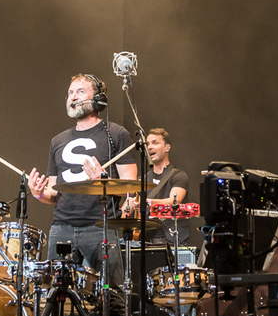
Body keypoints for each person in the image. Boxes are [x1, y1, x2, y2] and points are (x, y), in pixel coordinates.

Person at [28, 73, 138, 290]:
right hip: (62, 227)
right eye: (70, 93)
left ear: (98, 99)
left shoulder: (116, 134)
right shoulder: (58, 141)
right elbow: (53, 194)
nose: (73, 97)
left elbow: (131, 188)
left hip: (100, 227)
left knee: (111, 295)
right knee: (57, 296)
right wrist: (38, 193)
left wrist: (103, 181)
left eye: (80, 91)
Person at [123, 128, 190, 246]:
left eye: (155, 143)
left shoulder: (178, 175)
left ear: (167, 147)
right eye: (147, 144)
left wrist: (148, 202)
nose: (149, 147)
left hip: (171, 240)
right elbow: (125, 209)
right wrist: (128, 208)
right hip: (146, 240)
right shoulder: (142, 180)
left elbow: (175, 201)